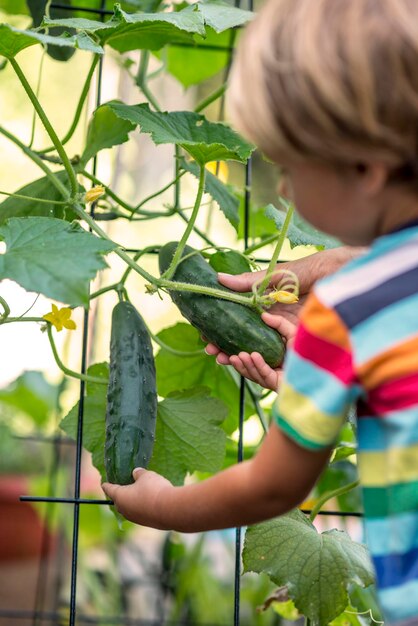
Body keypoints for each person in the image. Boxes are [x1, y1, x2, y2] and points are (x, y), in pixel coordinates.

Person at [103, 1, 418, 623]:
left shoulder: (345, 312)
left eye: (289, 166)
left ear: (367, 169)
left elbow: (276, 484)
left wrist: (165, 506)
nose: (283, 191)